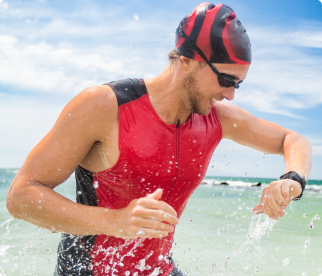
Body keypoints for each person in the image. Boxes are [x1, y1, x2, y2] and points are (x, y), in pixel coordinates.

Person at [6, 3, 311, 276]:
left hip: (156, 269)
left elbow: (293, 139)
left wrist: (292, 179)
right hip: (88, 269)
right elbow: (21, 197)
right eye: (226, 80)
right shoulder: (104, 105)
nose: (230, 93)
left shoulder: (218, 117)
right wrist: (114, 222)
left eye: (238, 85)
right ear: (189, 60)